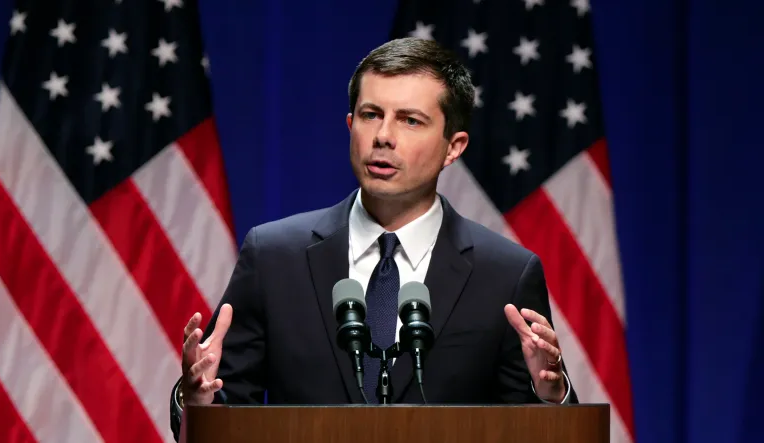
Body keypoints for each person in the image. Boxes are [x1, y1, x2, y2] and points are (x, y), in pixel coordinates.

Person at [169, 36, 577, 440]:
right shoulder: (274, 257)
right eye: (370, 115)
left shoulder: (505, 274)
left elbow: (538, 434)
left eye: (410, 120)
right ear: (350, 126)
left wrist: (551, 396)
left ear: (453, 146)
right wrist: (198, 401)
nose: (383, 136)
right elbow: (222, 413)